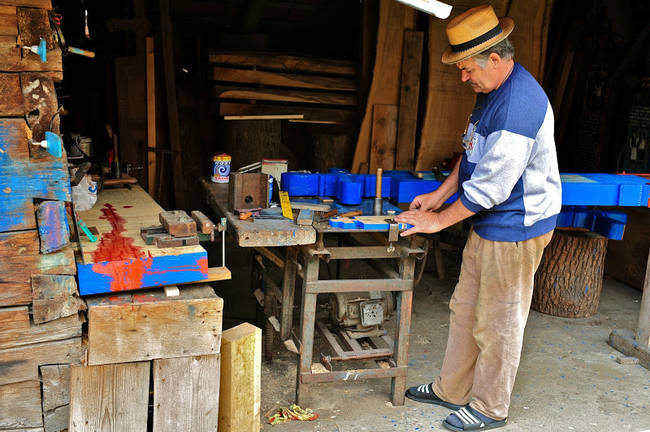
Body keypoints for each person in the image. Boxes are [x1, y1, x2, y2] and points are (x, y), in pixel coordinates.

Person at [395, 5, 562, 431]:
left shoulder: (517, 109)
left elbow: (492, 187)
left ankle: (490, 407)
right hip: (490, 221)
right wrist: (438, 196)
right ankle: (451, 389)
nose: (463, 78)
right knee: (465, 308)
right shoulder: (489, 92)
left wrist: (437, 221)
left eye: (467, 69)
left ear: (494, 58)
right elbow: (471, 156)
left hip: (517, 225)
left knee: (500, 320)